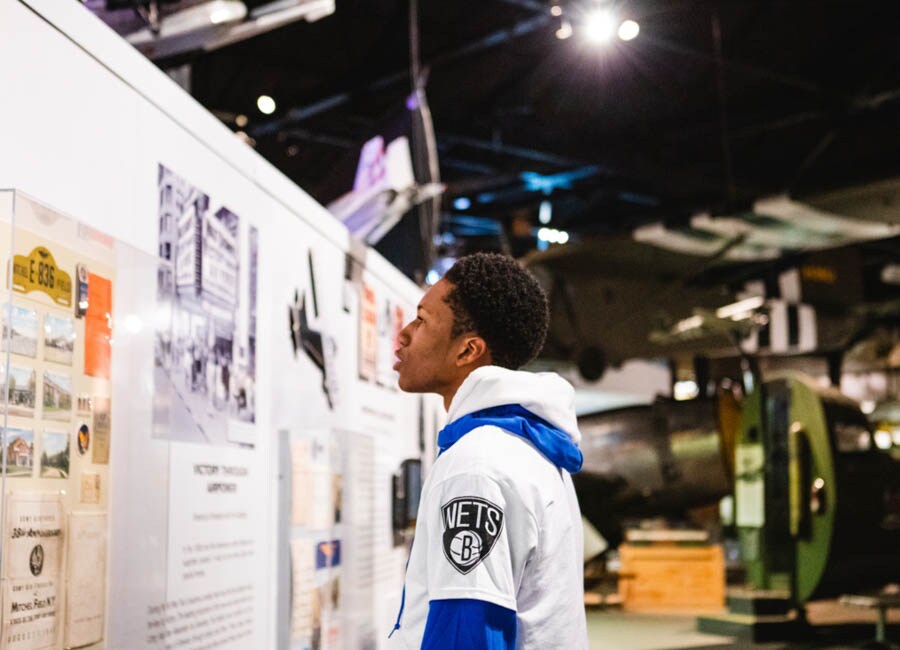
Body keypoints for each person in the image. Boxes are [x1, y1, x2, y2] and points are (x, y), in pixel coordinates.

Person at [389, 252, 587, 650]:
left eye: (423, 320)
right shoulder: (525, 450)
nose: (404, 334)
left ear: (467, 351)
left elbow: (468, 636)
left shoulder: (477, 467)